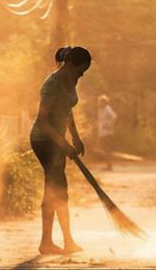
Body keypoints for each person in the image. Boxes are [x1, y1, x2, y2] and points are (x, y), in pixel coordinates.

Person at [29, 46, 91, 255]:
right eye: (81, 70)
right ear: (71, 64)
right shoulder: (51, 85)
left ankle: (61, 241)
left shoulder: (70, 80)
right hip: (43, 140)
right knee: (56, 188)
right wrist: (64, 145)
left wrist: (75, 136)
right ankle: (55, 242)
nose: (82, 75)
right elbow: (42, 122)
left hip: (58, 141)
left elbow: (67, 109)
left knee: (58, 189)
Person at [97, 95, 117, 170]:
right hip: (102, 133)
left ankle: (109, 166)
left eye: (100, 102)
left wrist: (108, 125)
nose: (98, 104)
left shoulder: (107, 109)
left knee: (107, 149)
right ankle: (108, 165)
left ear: (104, 102)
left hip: (107, 133)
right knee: (105, 149)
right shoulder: (101, 110)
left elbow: (114, 116)